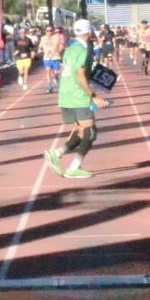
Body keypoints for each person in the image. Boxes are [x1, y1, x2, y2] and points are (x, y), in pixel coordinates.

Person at [47, 18, 109, 180]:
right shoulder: (83, 49)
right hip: (78, 96)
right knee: (90, 133)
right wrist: (94, 96)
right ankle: (73, 167)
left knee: (82, 132)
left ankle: (57, 153)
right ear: (89, 31)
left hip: (66, 95)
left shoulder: (69, 49)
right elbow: (80, 74)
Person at [39, 25, 66, 93]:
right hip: (46, 58)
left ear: (53, 31)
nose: (49, 32)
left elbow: (61, 45)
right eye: (47, 30)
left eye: (50, 30)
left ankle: (57, 78)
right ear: (45, 31)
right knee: (48, 72)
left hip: (55, 57)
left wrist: (58, 51)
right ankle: (50, 87)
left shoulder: (56, 37)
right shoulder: (43, 38)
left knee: (56, 72)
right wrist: (40, 50)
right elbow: (40, 47)